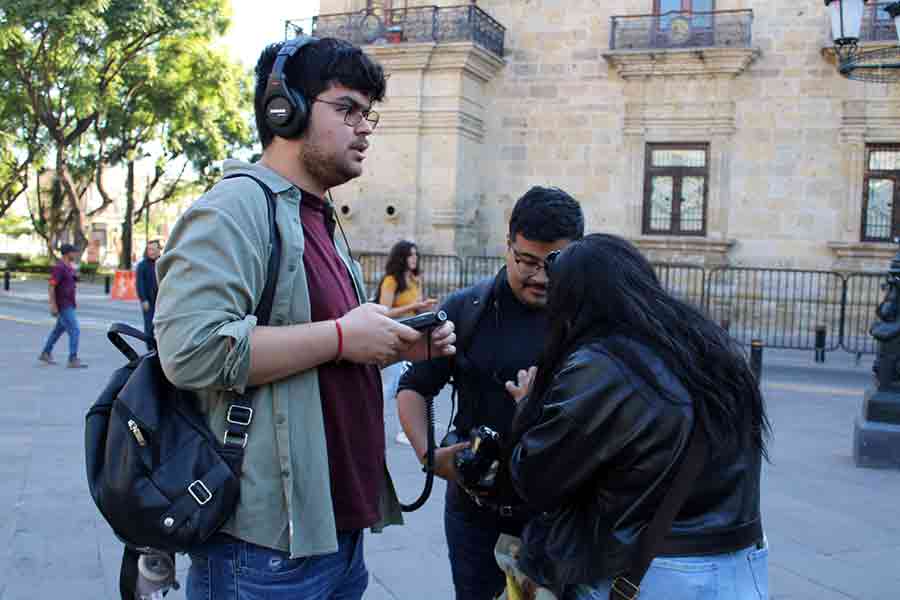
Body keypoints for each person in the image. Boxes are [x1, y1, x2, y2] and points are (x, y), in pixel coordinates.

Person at [153, 36, 456, 600]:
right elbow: (189, 350)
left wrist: (393, 341)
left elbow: (320, 347)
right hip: (262, 549)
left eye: (369, 113)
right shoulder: (236, 207)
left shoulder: (315, 215)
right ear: (282, 108)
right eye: (347, 109)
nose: (364, 127)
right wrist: (343, 335)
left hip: (332, 532)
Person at [504, 234, 771, 600]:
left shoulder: (602, 366)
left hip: (658, 575)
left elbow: (535, 477)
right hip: (742, 566)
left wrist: (527, 404)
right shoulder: (708, 348)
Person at [396, 187, 584, 600]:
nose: (540, 277)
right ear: (508, 246)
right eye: (527, 261)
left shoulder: (590, 319)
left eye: (554, 264)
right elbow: (411, 387)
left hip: (563, 522)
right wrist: (429, 454)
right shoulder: (467, 309)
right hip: (476, 517)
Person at [376, 240, 437, 445]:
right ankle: (372, 421)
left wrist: (425, 308)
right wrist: (413, 305)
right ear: (402, 257)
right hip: (393, 334)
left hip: (412, 335)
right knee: (390, 385)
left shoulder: (414, 279)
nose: (414, 259)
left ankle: (406, 430)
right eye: (411, 255)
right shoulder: (391, 280)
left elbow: (416, 308)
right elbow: (385, 311)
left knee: (410, 382)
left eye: (416, 255)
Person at [38, 243, 88, 368]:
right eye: (73, 252)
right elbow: (51, 286)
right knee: (75, 330)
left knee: (58, 330)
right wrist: (53, 305)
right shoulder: (59, 267)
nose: (76, 254)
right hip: (63, 304)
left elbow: (71, 282)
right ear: (67, 253)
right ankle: (72, 358)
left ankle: (46, 352)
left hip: (69, 303)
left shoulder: (69, 267)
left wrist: (76, 276)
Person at [135, 240, 160, 348]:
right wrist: (143, 299)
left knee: (161, 327)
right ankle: (150, 350)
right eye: (149, 249)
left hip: (162, 300)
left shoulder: (163, 262)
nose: (151, 252)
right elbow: (139, 284)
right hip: (149, 302)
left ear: (159, 250)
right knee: (149, 327)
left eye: (154, 249)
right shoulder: (142, 265)